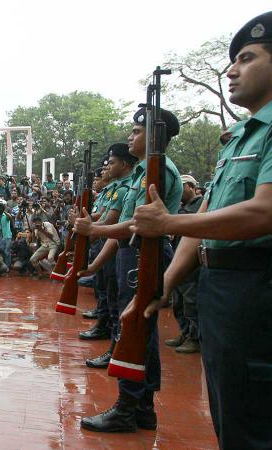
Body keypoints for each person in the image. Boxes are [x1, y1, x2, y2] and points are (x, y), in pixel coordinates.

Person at [131, 10, 272, 448]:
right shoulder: (242, 136)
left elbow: (269, 213)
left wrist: (167, 222)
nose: (231, 70)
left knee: (249, 432)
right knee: (230, 422)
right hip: (224, 287)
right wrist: (166, 280)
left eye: (246, 58)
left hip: (261, 287)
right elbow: (205, 222)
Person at [74, 106, 182, 433]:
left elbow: (134, 225)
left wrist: (94, 231)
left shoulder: (158, 171)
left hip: (143, 253)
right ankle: (142, 407)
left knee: (136, 329)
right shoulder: (139, 175)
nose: (130, 137)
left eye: (137, 132)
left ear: (154, 135)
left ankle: (128, 407)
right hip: (131, 253)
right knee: (135, 328)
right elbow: (124, 225)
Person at [82, 143, 138, 368]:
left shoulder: (126, 187)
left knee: (119, 301)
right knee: (109, 293)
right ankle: (112, 340)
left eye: (111, 163)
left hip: (124, 246)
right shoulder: (117, 188)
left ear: (124, 164)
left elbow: (110, 220)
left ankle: (117, 347)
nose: (106, 168)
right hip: (113, 242)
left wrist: (90, 231)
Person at [165, 174, 204, 354]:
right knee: (178, 300)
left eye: (182, 187)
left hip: (193, 260)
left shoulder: (200, 204)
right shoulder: (182, 207)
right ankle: (185, 332)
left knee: (191, 300)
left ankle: (194, 337)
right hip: (178, 255)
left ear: (190, 186)